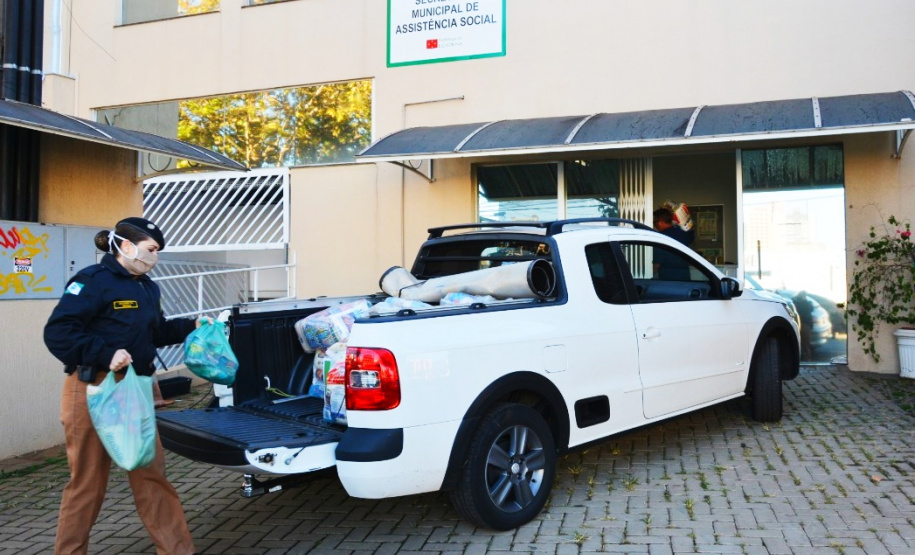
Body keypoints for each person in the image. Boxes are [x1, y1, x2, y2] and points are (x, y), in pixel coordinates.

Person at [44, 217, 203, 555]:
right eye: (151, 249)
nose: (154, 257)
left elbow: (154, 332)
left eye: (157, 251)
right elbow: (58, 332)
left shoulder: (147, 286)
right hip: (93, 389)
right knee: (87, 482)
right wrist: (104, 354)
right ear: (126, 246)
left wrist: (191, 325)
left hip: (135, 390)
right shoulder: (92, 281)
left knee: (151, 475)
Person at [652, 207, 694, 280]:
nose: (654, 225)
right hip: (685, 279)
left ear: (660, 222)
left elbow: (656, 266)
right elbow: (691, 237)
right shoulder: (682, 233)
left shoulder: (660, 238)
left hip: (669, 282)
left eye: (654, 222)